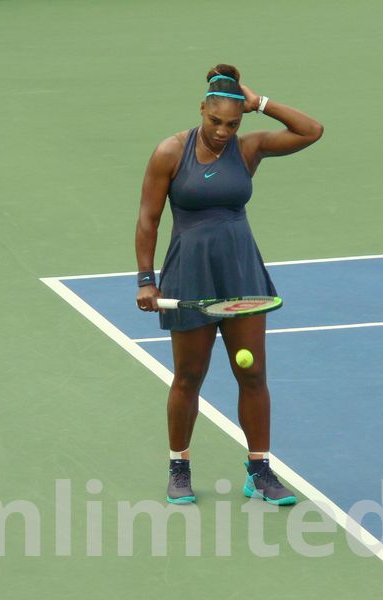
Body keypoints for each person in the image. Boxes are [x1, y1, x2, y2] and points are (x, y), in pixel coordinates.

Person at [134, 64, 323, 505]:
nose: (222, 131)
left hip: (241, 274)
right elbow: (148, 219)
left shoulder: (249, 148)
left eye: (232, 123)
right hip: (190, 274)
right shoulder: (169, 152)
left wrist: (260, 103)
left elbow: (311, 130)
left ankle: (259, 471)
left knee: (252, 373)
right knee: (189, 375)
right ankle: (179, 466)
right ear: (202, 109)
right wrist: (146, 280)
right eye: (215, 121)